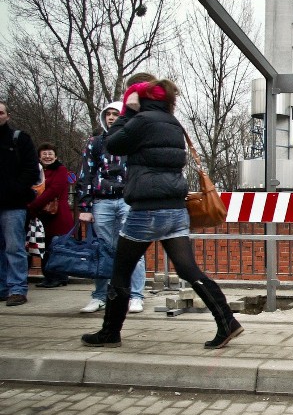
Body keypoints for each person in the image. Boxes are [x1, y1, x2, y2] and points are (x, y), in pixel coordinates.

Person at [80, 77, 243, 349]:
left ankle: (110, 333)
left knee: (120, 272)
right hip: (175, 209)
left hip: (146, 210)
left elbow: (113, 145)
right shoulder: (171, 122)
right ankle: (227, 321)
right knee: (189, 269)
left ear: (137, 95)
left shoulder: (141, 120)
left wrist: (128, 112)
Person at [76, 100, 147, 313]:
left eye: (116, 113)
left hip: (128, 200)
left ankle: (135, 296)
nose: (111, 117)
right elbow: (85, 174)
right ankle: (100, 295)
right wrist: (85, 207)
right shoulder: (96, 143)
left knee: (134, 248)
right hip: (102, 201)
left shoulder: (134, 142)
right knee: (103, 250)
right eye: (108, 114)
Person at [0, 101, 40, 307]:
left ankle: (17, 288)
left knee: (14, 247)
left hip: (13, 204)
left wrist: (15, 189)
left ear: (7, 115)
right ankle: (2, 288)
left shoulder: (19, 139)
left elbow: (31, 169)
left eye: (0, 112)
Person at [28, 143, 74, 287]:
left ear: (56, 156)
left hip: (58, 214)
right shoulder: (37, 171)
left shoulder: (61, 170)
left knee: (57, 246)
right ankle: (48, 276)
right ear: (39, 156)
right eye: (44, 154)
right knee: (45, 245)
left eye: (50, 154)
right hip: (43, 216)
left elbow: (54, 190)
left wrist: (33, 205)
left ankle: (59, 276)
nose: (47, 156)